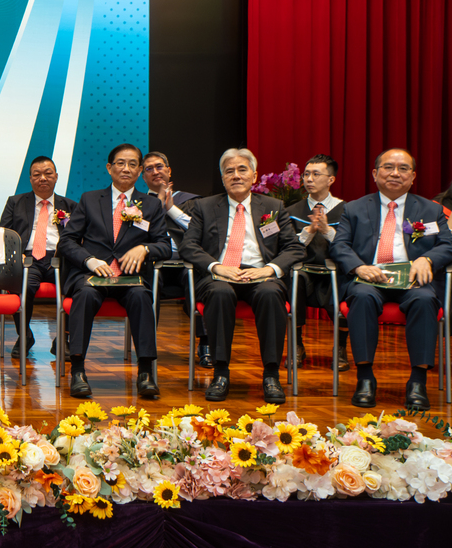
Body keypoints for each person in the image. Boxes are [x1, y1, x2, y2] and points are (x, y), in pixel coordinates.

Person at [329, 148, 452, 409]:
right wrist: (358, 267)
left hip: (414, 279)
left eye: (403, 168)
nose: (395, 173)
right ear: (375, 173)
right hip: (370, 278)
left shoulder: (431, 210)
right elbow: (339, 245)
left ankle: (418, 382)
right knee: (361, 297)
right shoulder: (354, 208)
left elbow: (448, 245)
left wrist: (427, 259)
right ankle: (365, 378)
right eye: (388, 167)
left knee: (424, 300)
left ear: (413, 176)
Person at [180, 148, 305, 403]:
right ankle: (220, 373)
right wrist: (216, 266)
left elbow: (294, 247)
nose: (236, 175)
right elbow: (188, 246)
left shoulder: (273, 207)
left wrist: (269, 269)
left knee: (271, 293)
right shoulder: (204, 207)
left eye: (242, 170)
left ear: (254, 175)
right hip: (220, 275)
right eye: (229, 171)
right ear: (222, 178)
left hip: (261, 274)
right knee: (220, 292)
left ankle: (271, 375)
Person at [58, 144, 171, 400]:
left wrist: (144, 248)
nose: (126, 168)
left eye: (132, 164)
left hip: (130, 277)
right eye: (120, 163)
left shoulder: (151, 205)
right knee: (85, 295)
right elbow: (67, 241)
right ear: (109, 168)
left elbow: (164, 245)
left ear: (140, 170)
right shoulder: (89, 199)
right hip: (92, 275)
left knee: (141, 296)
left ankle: (145, 373)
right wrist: (89, 260)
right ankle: (78, 371)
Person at [0, 156, 77, 359]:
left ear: (56, 176)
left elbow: (78, 237)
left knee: (76, 286)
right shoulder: (15, 202)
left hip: (59, 258)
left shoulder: (70, 205)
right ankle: (24, 335)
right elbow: (4, 234)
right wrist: (14, 258)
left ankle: (63, 338)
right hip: (27, 258)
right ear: (30, 178)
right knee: (22, 287)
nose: (43, 178)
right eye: (37, 174)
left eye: (48, 173)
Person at [142, 150, 210, 367]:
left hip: (185, 262)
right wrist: (155, 206)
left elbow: (202, 232)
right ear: (143, 176)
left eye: (159, 166)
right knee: (146, 287)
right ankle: (146, 347)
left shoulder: (191, 201)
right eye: (149, 169)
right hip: (154, 263)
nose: (155, 172)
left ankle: (206, 343)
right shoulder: (137, 203)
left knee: (199, 283)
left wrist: (170, 208)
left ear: (169, 171)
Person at [284, 154, 347, 369]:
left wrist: (327, 230)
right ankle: (296, 345)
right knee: (295, 278)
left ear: (331, 179)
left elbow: (350, 246)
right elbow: (286, 247)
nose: (309, 179)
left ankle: (340, 347)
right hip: (303, 270)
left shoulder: (346, 211)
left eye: (316, 174)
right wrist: (309, 231)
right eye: (306, 174)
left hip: (335, 269)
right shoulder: (292, 211)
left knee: (345, 282)